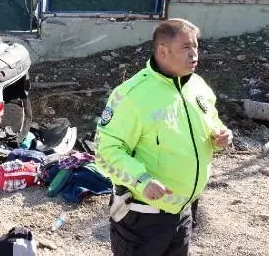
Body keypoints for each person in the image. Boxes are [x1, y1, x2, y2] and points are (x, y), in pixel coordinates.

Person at [94, 18, 233, 256]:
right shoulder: (131, 95)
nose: (194, 55)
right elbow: (105, 151)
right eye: (186, 48)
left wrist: (220, 135)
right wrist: (142, 179)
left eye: (196, 47)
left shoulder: (198, 86)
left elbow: (211, 123)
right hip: (143, 218)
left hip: (184, 212)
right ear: (162, 51)